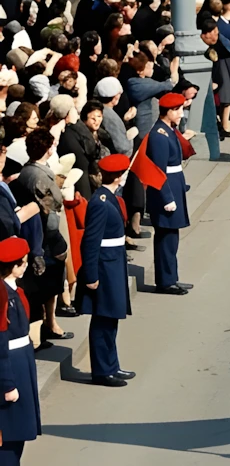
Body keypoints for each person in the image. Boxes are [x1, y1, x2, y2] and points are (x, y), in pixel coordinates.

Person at [79, 151, 133, 386]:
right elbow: (90, 242)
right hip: (104, 266)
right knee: (103, 318)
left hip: (114, 262)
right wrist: (91, 275)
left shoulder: (107, 197)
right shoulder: (100, 203)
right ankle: (102, 370)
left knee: (111, 319)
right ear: (119, 177)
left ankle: (112, 365)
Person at [145, 91, 191, 294]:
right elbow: (158, 170)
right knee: (166, 238)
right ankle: (165, 281)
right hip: (166, 191)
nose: (181, 113)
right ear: (169, 111)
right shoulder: (159, 135)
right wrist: (167, 197)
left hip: (174, 186)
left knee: (172, 237)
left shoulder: (167, 130)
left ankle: (171, 276)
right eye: (178, 110)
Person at [0, 236, 38, 463]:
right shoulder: (3, 295)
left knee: (20, 430)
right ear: (14, 266)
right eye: (23, 262)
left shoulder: (13, 290)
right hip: (11, 365)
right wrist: (8, 384)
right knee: (10, 433)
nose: (26, 265)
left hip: (21, 361)